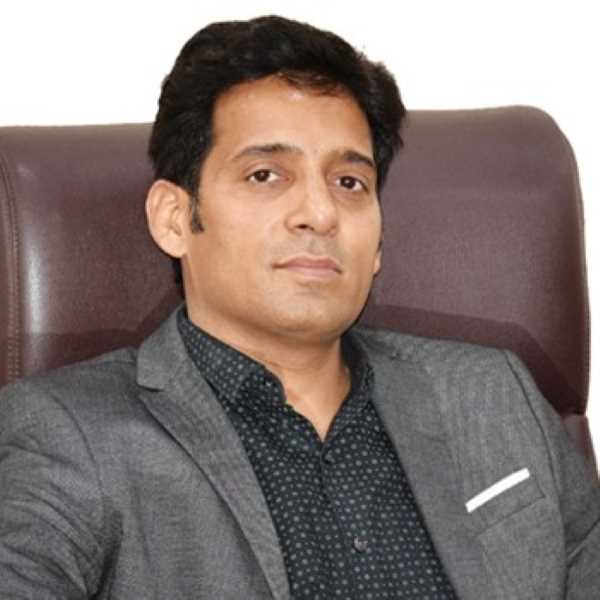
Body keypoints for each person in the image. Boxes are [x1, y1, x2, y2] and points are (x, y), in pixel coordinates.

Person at [0, 14, 598, 600]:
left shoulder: (494, 396)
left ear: (378, 242)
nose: (320, 213)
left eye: (349, 183)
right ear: (175, 219)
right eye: (265, 175)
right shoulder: (68, 433)